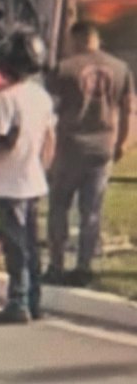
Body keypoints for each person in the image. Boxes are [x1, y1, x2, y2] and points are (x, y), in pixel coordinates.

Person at [0, 27, 56, 323]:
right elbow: (50, 139)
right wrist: (42, 168)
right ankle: (34, 301)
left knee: (15, 247)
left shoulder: (6, 99)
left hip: (11, 184)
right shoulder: (42, 97)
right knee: (31, 245)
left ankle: (17, 303)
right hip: (34, 182)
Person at [45, 22, 134, 287]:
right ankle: (84, 267)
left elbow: (48, 111)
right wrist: (122, 143)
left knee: (59, 207)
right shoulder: (121, 68)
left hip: (70, 147)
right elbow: (128, 109)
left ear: (77, 39)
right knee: (91, 210)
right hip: (102, 147)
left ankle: (56, 265)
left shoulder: (63, 69)